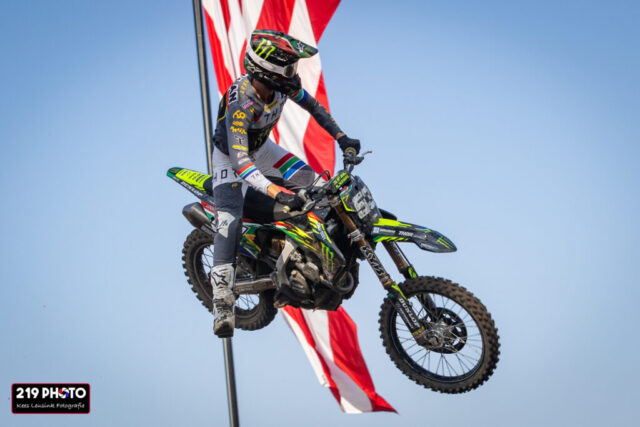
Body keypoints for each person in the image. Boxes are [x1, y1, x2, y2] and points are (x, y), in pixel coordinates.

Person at [209, 29, 360, 337]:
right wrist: (278, 192)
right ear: (268, 71)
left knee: (315, 186)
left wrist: (342, 138)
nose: (294, 73)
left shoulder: (281, 88)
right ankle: (222, 303)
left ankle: (311, 257)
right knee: (228, 221)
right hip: (231, 161)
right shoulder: (242, 103)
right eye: (289, 67)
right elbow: (241, 163)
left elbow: (314, 108)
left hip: (264, 149)